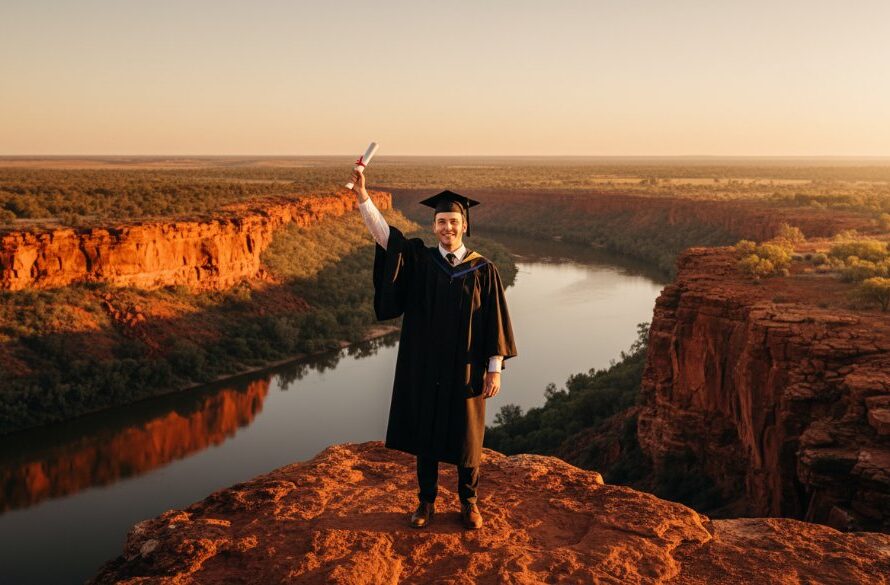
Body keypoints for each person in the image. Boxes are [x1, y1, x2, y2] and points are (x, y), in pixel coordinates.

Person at [349, 168, 517, 530]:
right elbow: (385, 238)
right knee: (425, 435)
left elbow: (495, 321)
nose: (447, 228)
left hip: (468, 368)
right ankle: (426, 502)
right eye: (441, 222)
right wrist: (364, 197)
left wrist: (495, 368)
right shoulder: (423, 262)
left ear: (464, 224)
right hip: (426, 367)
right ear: (434, 225)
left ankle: (469, 502)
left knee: (468, 438)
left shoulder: (483, 270)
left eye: (453, 221)